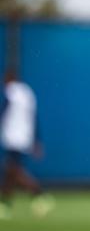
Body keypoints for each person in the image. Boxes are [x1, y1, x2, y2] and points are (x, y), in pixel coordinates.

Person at [0, 70, 54, 219]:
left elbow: (3, 111)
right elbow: (34, 118)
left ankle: (39, 194)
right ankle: (5, 204)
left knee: (13, 170)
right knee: (10, 171)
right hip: (25, 137)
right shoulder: (27, 93)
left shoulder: (10, 92)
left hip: (12, 137)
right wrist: (37, 140)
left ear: (8, 78)